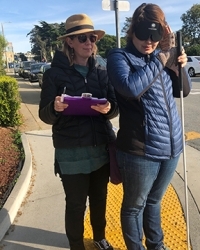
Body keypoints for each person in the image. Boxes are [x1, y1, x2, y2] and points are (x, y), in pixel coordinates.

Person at [107, 3, 191, 250]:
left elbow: (183, 92)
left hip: (171, 146)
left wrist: (178, 66)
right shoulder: (119, 57)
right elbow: (130, 88)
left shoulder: (162, 56)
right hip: (139, 151)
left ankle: (157, 246)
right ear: (132, 31)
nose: (149, 42)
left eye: (155, 36)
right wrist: (162, 60)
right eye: (143, 34)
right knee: (134, 207)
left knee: (154, 201)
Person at [39, 13, 118, 250]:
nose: (89, 43)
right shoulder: (53, 74)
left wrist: (108, 108)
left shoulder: (102, 72)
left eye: (92, 38)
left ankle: (99, 238)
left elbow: (114, 107)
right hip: (71, 153)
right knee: (75, 204)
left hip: (99, 150)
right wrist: (54, 107)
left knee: (100, 200)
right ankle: (76, 245)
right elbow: (44, 115)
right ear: (70, 42)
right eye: (82, 38)